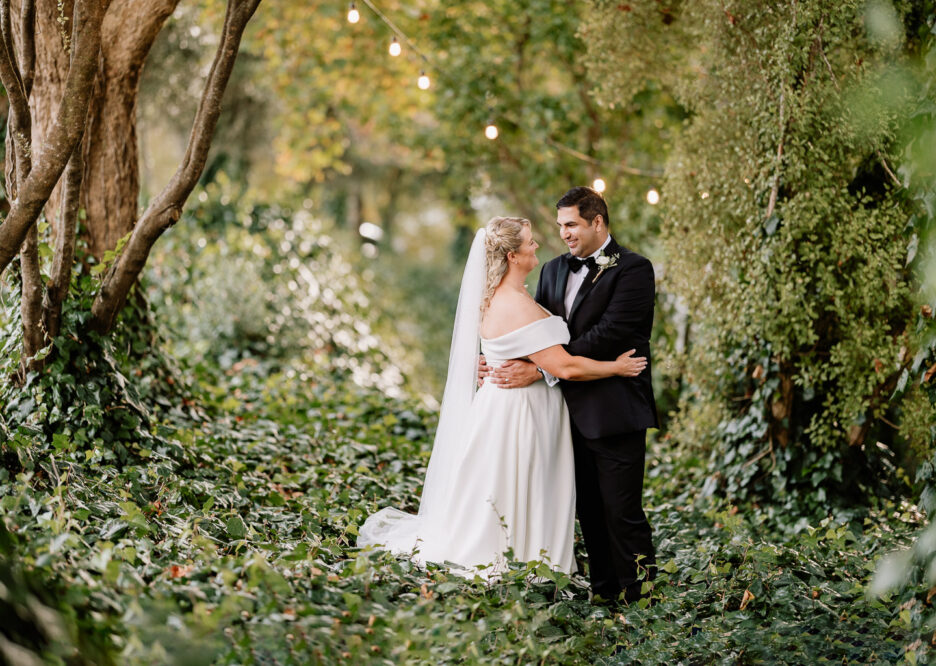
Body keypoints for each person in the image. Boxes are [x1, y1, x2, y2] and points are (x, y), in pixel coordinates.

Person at [357, 216, 646, 577]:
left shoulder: (508, 295)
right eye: (529, 242)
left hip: (509, 405)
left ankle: (526, 555)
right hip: (519, 413)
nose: (537, 245)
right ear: (512, 256)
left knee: (508, 485)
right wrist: (616, 368)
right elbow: (566, 367)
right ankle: (523, 559)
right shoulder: (515, 303)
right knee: (516, 485)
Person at [483, 187, 658, 603]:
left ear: (597, 221)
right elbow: (531, 331)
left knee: (622, 511)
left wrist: (543, 365)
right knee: (588, 512)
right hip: (560, 412)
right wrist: (496, 359)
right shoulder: (553, 270)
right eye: (560, 225)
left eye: (571, 224)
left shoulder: (634, 269)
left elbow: (611, 334)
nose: (563, 233)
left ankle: (643, 597)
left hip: (614, 408)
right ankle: (603, 591)